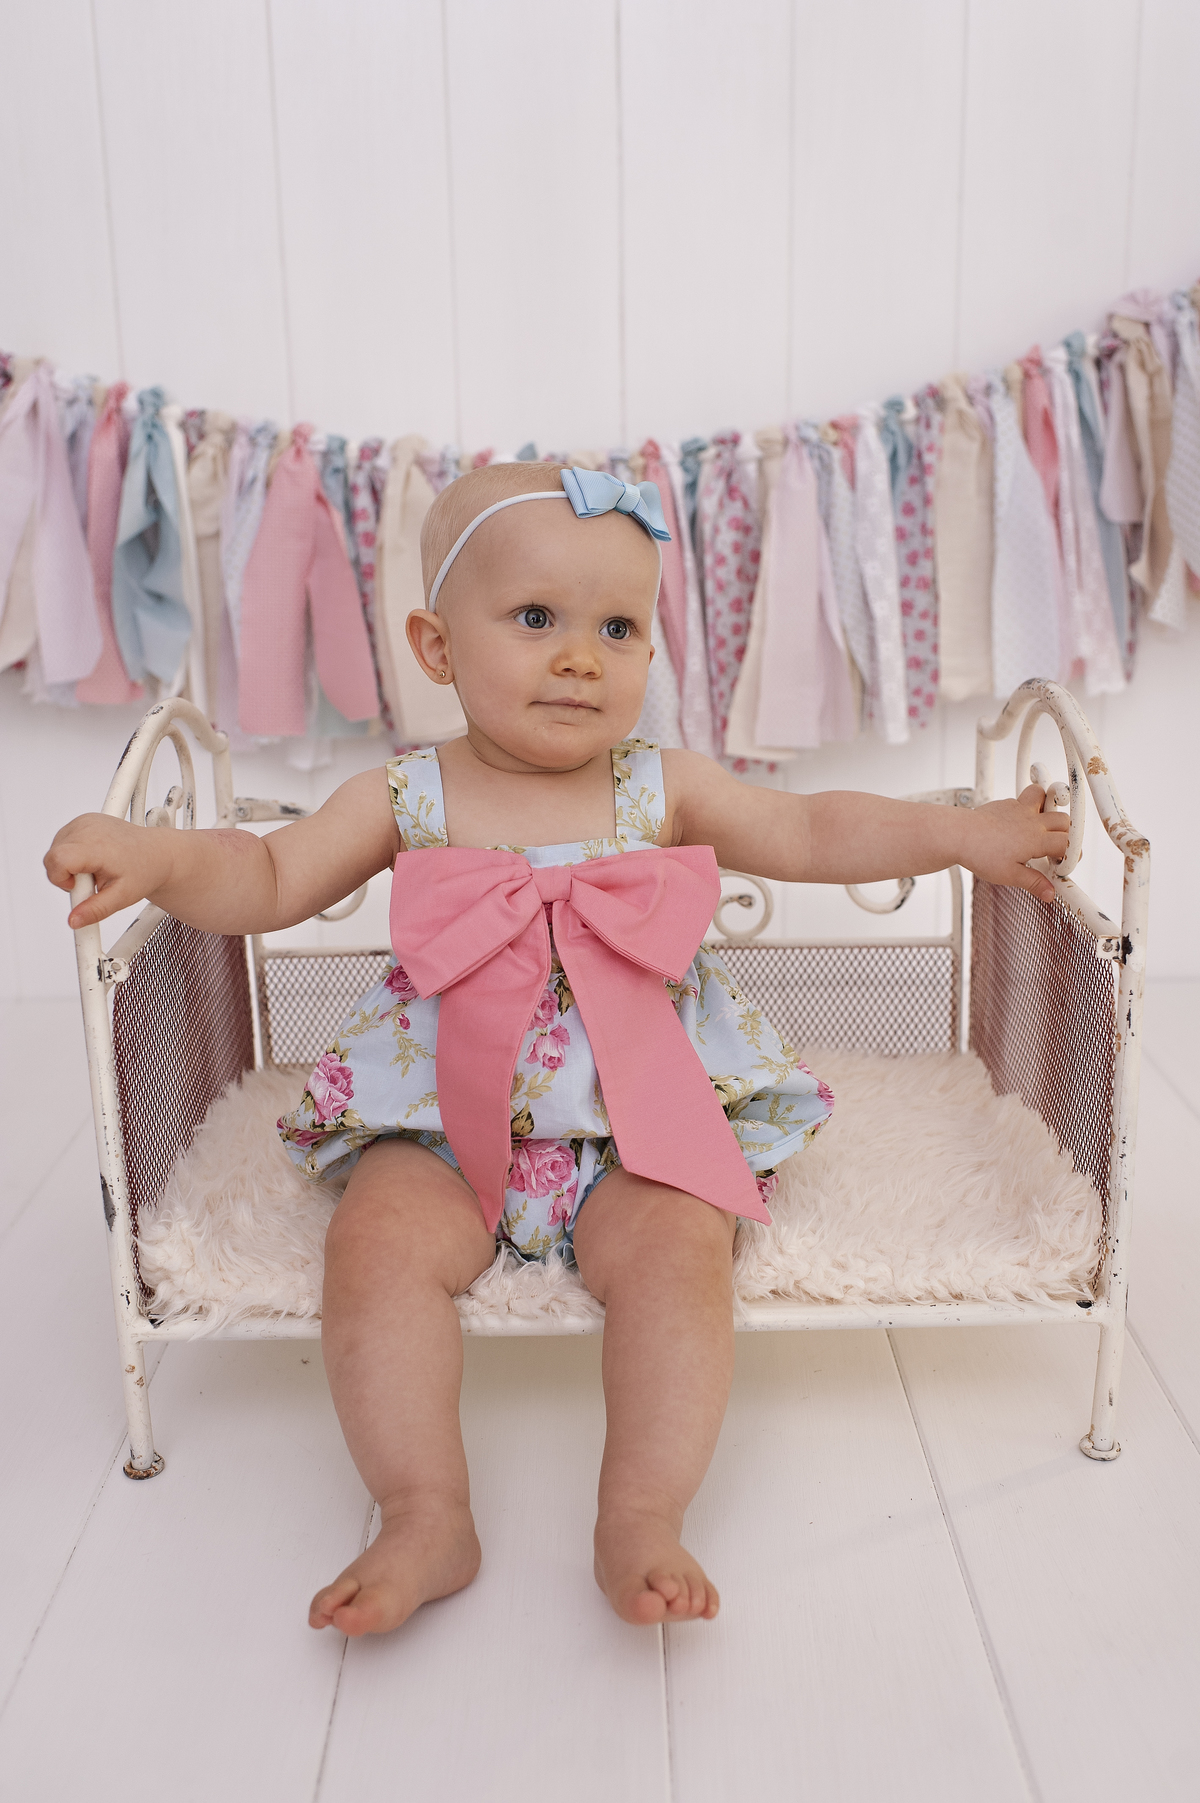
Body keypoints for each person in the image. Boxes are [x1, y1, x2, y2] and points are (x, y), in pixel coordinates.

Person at [45, 460, 1069, 1639]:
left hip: (639, 1122)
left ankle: (641, 1513)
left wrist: (958, 834)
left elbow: (806, 828)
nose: (581, 657)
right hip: (442, 1122)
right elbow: (268, 873)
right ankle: (422, 1512)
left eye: (617, 628)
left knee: (681, 1253)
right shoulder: (408, 795)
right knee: (374, 1248)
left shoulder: (660, 787)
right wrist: (161, 858)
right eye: (536, 618)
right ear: (437, 647)